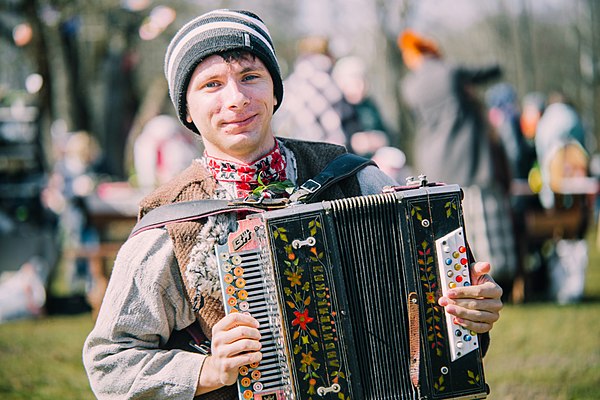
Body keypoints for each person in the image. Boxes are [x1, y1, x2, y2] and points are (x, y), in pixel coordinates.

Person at [83, 10, 503, 399]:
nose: (236, 98)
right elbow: (109, 363)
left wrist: (471, 313)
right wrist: (209, 370)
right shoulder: (169, 223)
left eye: (250, 76)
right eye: (211, 85)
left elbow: (442, 311)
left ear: (275, 90)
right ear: (187, 110)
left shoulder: (354, 177)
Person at [398, 29, 517, 293]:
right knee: (482, 222)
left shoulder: (409, 87)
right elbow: (483, 72)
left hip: (434, 163)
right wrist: (498, 65)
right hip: (469, 159)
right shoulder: (449, 72)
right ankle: (495, 280)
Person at [272, 35, 358, 148]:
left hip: (301, 150)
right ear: (327, 52)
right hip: (332, 148)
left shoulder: (292, 82)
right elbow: (343, 115)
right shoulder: (328, 79)